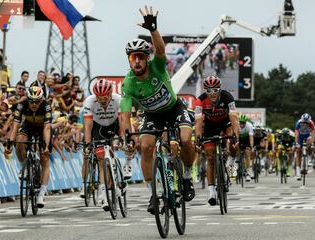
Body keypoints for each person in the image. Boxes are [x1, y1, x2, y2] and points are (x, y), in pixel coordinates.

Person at [120, 5, 196, 214]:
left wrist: (153, 29)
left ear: (146, 58)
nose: (136, 61)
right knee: (145, 147)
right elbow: (124, 114)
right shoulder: (128, 83)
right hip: (153, 115)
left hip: (174, 108)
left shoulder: (157, 67)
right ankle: (153, 194)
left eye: (140, 57)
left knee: (186, 139)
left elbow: (161, 49)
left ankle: (188, 177)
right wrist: (126, 134)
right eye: (132, 57)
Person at [82, 79, 130, 211]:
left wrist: (121, 138)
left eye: (105, 97)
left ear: (110, 94)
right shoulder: (89, 101)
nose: (102, 100)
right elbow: (88, 126)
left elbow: (121, 120)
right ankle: (103, 193)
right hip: (98, 127)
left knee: (125, 144)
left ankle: (121, 173)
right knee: (101, 158)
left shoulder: (118, 99)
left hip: (114, 124)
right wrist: (87, 144)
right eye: (99, 97)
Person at [195, 75, 239, 206]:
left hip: (226, 123)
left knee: (232, 139)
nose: (212, 93)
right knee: (210, 156)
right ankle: (211, 191)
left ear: (219, 89)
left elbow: (234, 118)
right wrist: (198, 139)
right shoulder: (200, 100)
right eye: (209, 91)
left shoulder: (227, 97)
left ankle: (231, 160)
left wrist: (235, 136)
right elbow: (198, 122)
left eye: (215, 89)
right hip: (210, 125)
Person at [7, 86, 52, 208]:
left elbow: (47, 128)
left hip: (43, 128)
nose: (33, 104)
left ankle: (41, 194)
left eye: (37, 101)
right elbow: (15, 125)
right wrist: (10, 142)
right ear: (27, 98)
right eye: (31, 101)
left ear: (41, 100)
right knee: (20, 141)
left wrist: (46, 145)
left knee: (44, 158)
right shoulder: (22, 104)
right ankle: (24, 166)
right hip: (29, 126)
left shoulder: (46, 106)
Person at [294, 113, 315, 180]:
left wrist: (312, 140)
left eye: (307, 122)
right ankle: (298, 172)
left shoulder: (311, 123)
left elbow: (313, 133)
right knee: (298, 152)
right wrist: (297, 142)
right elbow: (296, 133)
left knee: (310, 144)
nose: (305, 123)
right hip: (300, 137)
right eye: (304, 122)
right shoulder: (298, 122)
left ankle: (309, 158)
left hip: (307, 136)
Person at [238, 115, 254, 182]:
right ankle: (235, 167)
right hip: (238, 138)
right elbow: (235, 136)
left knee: (247, 153)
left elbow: (251, 137)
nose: (242, 124)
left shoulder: (249, 126)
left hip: (246, 139)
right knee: (235, 151)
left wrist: (251, 146)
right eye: (240, 122)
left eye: (243, 123)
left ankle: (247, 173)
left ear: (246, 122)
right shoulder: (236, 125)